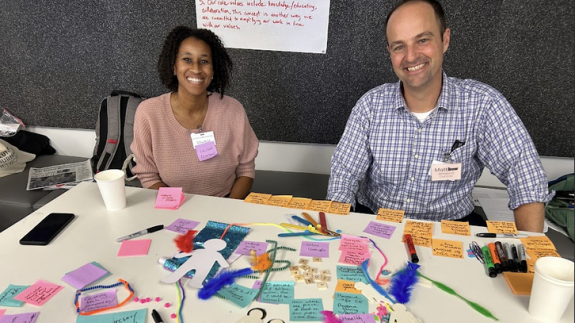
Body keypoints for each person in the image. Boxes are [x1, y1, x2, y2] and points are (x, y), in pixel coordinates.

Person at [326, 0, 551, 232]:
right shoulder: (370, 106)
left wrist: (529, 252)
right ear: (390, 53)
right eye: (399, 46)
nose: (411, 56)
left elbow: (525, 176)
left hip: (449, 229)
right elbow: (344, 173)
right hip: (376, 222)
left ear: (444, 40)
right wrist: (337, 232)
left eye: (422, 40)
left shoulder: (483, 104)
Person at [131, 26, 259, 199]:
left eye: (204, 61)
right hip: (174, 210)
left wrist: (225, 212)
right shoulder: (148, 113)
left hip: (225, 206)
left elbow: (245, 170)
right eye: (187, 59)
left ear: (213, 70)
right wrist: (188, 213)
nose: (197, 69)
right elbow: (148, 176)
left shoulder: (233, 110)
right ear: (174, 67)